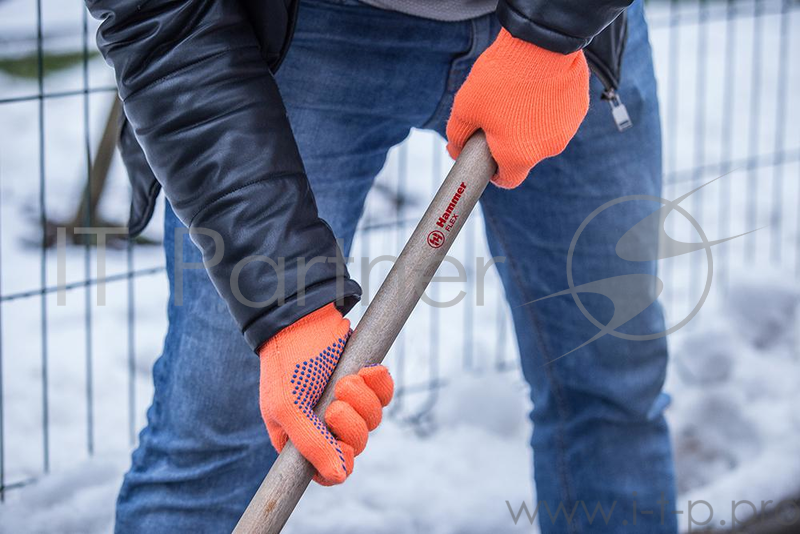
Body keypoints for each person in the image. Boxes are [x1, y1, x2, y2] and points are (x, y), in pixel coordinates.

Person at [86, 0, 677, 531]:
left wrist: (548, 36)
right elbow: (159, 17)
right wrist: (284, 305)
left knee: (611, 383)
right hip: (303, 29)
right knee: (216, 437)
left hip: (569, 30)